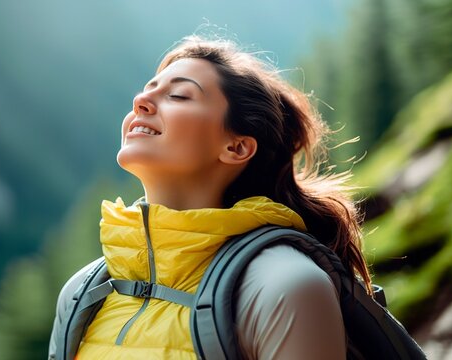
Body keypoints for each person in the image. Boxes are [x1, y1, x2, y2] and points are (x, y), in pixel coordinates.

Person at [49, 35, 372, 359]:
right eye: (147, 90)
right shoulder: (82, 296)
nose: (140, 102)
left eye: (178, 95)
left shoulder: (286, 287)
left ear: (236, 148)